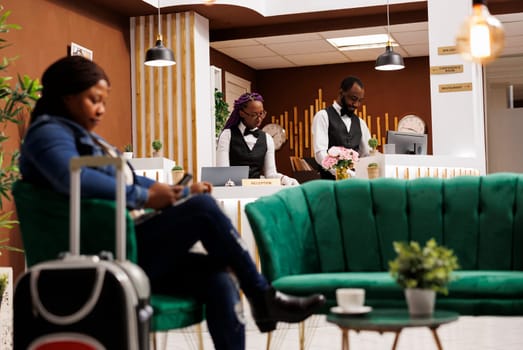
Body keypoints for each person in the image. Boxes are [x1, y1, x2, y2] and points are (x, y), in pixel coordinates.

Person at [19, 56, 325, 350]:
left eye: (103, 101)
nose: (100, 110)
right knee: (204, 210)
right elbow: (70, 178)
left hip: (122, 245)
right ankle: (263, 297)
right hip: (101, 254)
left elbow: (129, 178)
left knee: (219, 278)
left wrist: (176, 192)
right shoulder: (48, 133)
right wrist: (146, 197)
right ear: (65, 97)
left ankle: (261, 298)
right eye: (92, 99)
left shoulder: (81, 136)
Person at [216, 92, 299, 186]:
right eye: (254, 114)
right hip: (233, 192)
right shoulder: (227, 135)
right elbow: (222, 173)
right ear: (242, 113)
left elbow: (270, 174)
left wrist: (284, 179)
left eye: (261, 113)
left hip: (256, 191)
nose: (259, 119)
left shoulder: (267, 139)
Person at [312, 76, 372, 179]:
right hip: (330, 185)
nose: (356, 104)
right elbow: (320, 154)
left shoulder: (361, 123)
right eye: (353, 99)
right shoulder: (323, 116)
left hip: (355, 185)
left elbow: (367, 155)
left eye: (360, 100)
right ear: (341, 93)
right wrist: (344, 173)